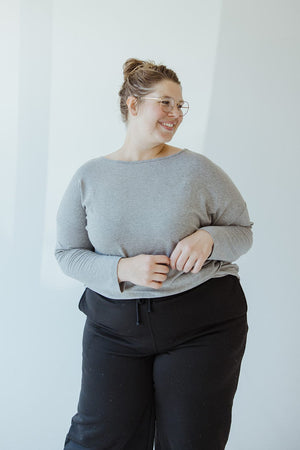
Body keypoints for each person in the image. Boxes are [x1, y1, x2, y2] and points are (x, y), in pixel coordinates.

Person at [55, 58, 253, 450]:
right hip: (113, 329)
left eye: (181, 106)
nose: (175, 114)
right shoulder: (89, 177)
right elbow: (67, 254)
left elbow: (243, 232)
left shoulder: (198, 170)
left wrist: (209, 238)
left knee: (190, 442)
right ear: (133, 104)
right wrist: (123, 268)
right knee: (97, 440)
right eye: (165, 103)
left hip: (203, 325)